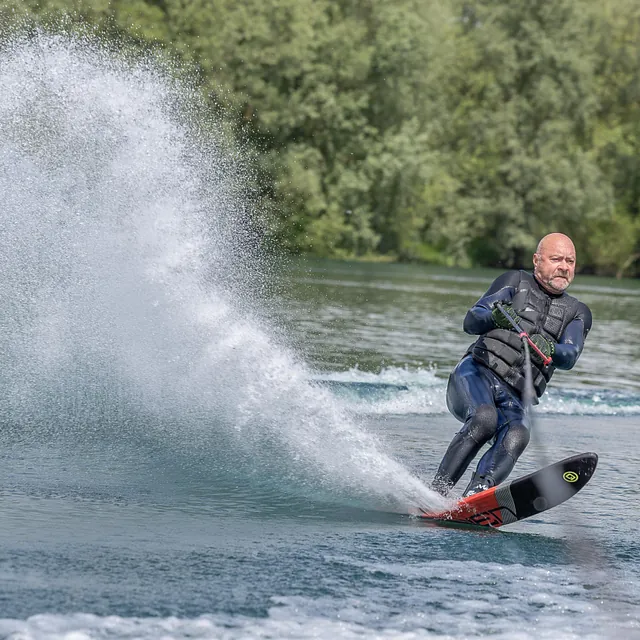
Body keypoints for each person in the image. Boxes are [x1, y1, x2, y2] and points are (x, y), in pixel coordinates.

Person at [432, 233, 592, 497]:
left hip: (515, 396)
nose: (564, 266)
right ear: (537, 260)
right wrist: (494, 316)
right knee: (484, 419)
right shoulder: (514, 282)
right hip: (475, 374)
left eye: (570, 261)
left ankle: (475, 498)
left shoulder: (577, 312)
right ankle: (436, 493)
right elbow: (471, 320)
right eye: (556, 259)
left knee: (517, 432)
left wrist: (551, 347)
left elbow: (571, 355)